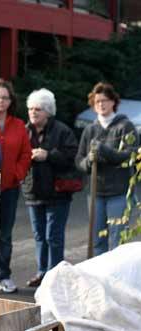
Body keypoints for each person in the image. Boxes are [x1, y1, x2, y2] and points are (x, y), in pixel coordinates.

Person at [21, 88, 79, 287]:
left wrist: (48, 155)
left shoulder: (63, 131)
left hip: (57, 192)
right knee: (39, 236)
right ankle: (42, 271)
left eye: (38, 109)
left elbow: (73, 158)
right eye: (30, 109)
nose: (33, 112)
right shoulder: (24, 130)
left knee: (53, 236)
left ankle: (56, 276)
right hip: (32, 191)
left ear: (48, 111)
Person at [75, 82, 138, 257]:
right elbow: (78, 160)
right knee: (97, 240)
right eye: (97, 102)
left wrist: (105, 151)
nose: (101, 104)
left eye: (105, 100)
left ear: (113, 102)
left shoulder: (125, 126)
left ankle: (118, 280)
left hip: (119, 192)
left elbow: (131, 156)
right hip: (96, 193)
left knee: (118, 240)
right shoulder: (90, 129)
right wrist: (89, 160)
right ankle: (100, 280)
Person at [0, 78, 32, 293]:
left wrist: (17, 173)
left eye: (5, 97)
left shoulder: (19, 124)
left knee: (4, 233)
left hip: (10, 187)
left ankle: (4, 275)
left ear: (10, 101)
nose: (1, 101)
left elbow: (25, 153)